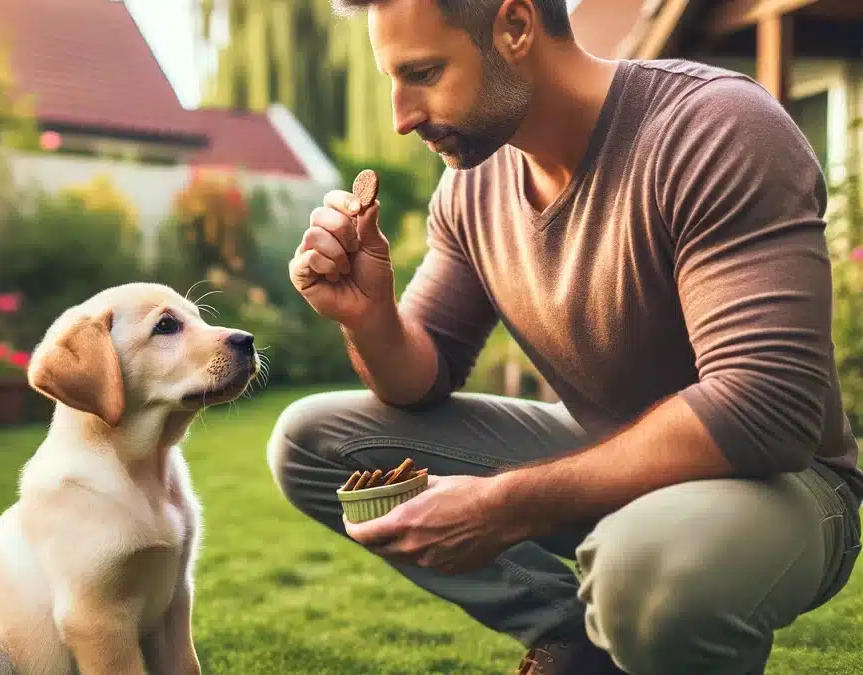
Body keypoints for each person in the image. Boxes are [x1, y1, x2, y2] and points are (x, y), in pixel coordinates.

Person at [267, 0, 863, 673]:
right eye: (393, 81)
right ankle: (578, 642)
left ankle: (629, 602)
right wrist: (368, 315)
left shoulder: (713, 127)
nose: (403, 116)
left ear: (516, 27)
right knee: (312, 442)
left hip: (783, 481)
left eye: (425, 73)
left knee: (643, 573)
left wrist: (502, 506)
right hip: (611, 449)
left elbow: (767, 410)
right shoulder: (471, 188)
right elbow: (421, 378)